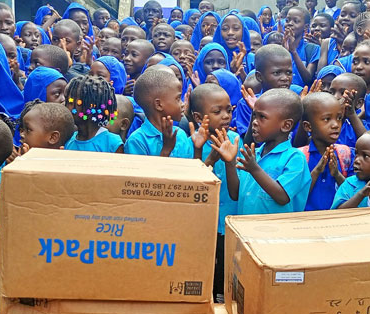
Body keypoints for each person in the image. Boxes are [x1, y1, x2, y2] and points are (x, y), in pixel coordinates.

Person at [212, 88, 310, 215]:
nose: (254, 122)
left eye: (262, 117)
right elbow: (235, 194)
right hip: (246, 230)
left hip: (276, 233)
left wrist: (254, 169)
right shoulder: (254, 154)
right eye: (254, 116)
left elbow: (282, 197)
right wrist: (229, 162)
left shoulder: (295, 158)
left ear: (286, 125)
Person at [188, 83, 238, 299]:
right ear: (199, 117)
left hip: (228, 226)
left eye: (229, 109)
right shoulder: (187, 142)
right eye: (217, 112)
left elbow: (236, 192)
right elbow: (192, 188)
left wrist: (229, 162)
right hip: (200, 227)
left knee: (223, 285)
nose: (225, 116)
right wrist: (202, 152)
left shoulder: (236, 140)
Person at [298, 92, 353, 210]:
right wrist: (317, 171)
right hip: (305, 222)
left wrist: (337, 175)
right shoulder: (299, 157)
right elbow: (296, 197)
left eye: (339, 118)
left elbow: (355, 195)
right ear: (308, 126)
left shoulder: (347, 155)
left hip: (338, 222)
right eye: (327, 119)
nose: (335, 125)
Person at [124, 68, 196, 158]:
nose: (183, 104)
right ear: (158, 104)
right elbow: (141, 172)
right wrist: (166, 150)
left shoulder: (180, 135)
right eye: (178, 99)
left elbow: (191, 170)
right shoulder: (137, 141)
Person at [232, 45, 294, 136]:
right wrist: (256, 112)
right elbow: (248, 143)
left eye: (288, 72)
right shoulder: (246, 104)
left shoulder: (294, 103)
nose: (285, 78)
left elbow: (300, 142)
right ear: (259, 77)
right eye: (277, 73)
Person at [64, 75, 123, 153]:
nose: (64, 105)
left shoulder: (112, 143)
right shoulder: (68, 139)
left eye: (70, 102)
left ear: (90, 107)